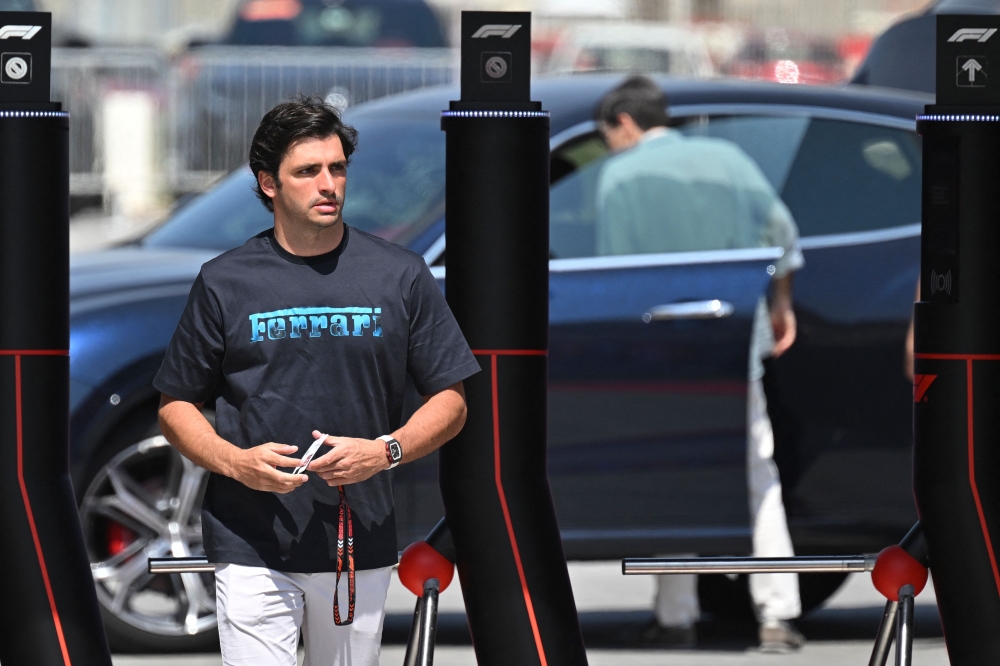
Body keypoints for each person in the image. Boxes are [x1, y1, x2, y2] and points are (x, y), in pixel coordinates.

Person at [154, 95, 480, 666]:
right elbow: (176, 405)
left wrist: (386, 451)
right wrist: (237, 463)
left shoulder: (398, 274)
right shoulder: (224, 281)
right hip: (250, 539)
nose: (328, 183)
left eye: (337, 168)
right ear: (269, 184)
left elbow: (451, 400)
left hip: (360, 538)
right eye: (308, 171)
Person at [594, 76, 806, 652]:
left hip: (663, 349)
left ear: (625, 125)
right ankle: (777, 614)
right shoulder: (730, 159)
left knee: (672, 475)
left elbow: (616, 275)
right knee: (759, 474)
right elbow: (783, 234)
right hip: (736, 336)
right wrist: (780, 305)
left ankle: (675, 615)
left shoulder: (620, 175)